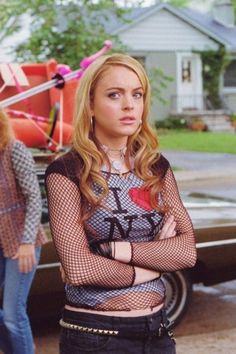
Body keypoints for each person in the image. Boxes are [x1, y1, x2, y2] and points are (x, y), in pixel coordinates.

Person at [45, 53, 197, 354]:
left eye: (137, 94)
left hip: (158, 332)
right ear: (90, 105)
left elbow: (186, 252)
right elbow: (79, 269)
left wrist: (113, 250)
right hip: (96, 336)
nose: (129, 105)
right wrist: (155, 265)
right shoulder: (67, 171)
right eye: (114, 94)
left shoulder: (155, 167)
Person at [0, 109, 47, 354]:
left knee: (13, 313)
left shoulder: (13, 149)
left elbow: (33, 197)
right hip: (1, 242)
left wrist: (27, 241)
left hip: (22, 241)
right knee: (9, 317)